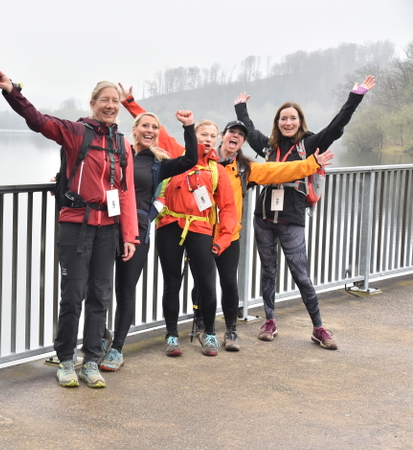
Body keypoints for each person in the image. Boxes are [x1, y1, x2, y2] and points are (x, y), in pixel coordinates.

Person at [0, 70, 138, 388]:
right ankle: (67, 359)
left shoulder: (122, 144)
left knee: (101, 297)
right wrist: (11, 91)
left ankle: (92, 362)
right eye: (105, 100)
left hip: (108, 229)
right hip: (76, 225)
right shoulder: (76, 132)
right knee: (73, 295)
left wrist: (129, 235)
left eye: (115, 101)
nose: (110, 105)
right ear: (93, 103)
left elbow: (125, 193)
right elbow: (40, 122)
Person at [234, 75, 376, 350]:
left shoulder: (310, 145)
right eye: (283, 119)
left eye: (292, 119)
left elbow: (337, 127)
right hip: (263, 218)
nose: (288, 123)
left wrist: (355, 96)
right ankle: (270, 321)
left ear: (300, 122)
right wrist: (240, 108)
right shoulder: (268, 146)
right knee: (268, 271)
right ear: (277, 122)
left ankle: (318, 327)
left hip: (291, 219)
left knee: (301, 274)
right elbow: (248, 131)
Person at [196, 119, 335, 351]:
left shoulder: (245, 168)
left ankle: (231, 331)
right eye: (232, 131)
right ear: (223, 135)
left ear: (243, 141)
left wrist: (311, 164)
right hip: (199, 233)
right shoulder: (199, 160)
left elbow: (279, 169)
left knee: (229, 284)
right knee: (201, 284)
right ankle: (201, 326)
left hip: (229, 236)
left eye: (241, 134)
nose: (236, 136)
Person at [99, 107, 199, 371]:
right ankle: (98, 337)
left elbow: (190, 160)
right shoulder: (119, 152)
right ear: (134, 129)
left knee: (125, 289)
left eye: (155, 128)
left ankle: (117, 349)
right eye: (145, 126)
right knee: (98, 287)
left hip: (137, 231)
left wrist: (188, 126)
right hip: (107, 225)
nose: (150, 131)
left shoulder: (160, 163)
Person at [156, 120, 237, 356]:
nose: (208, 139)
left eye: (213, 135)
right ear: (194, 135)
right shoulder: (176, 155)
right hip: (169, 225)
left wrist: (222, 240)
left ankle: (209, 333)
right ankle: (172, 335)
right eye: (203, 134)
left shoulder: (217, 170)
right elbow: (156, 131)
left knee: (207, 284)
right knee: (172, 283)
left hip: (200, 228)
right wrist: (129, 102)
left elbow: (228, 209)